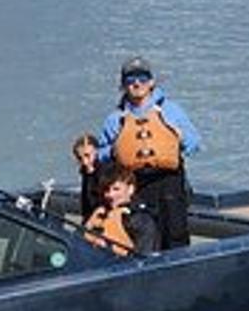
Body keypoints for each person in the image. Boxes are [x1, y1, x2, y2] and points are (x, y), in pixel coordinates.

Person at [94, 56, 203, 249]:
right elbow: (100, 154)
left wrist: (179, 136)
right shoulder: (115, 119)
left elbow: (195, 143)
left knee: (175, 235)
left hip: (169, 183)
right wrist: (115, 150)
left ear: (151, 82)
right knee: (142, 236)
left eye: (142, 78)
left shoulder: (171, 110)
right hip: (135, 185)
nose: (136, 83)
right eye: (130, 79)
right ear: (123, 85)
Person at [82, 164, 160, 256]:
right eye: (106, 190)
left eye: (116, 189)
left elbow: (144, 259)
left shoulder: (141, 220)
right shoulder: (99, 213)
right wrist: (90, 223)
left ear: (130, 189)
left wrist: (107, 248)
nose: (110, 195)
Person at [72, 133, 103, 212]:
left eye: (87, 155)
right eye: (80, 158)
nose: (85, 162)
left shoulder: (105, 171)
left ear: (96, 151)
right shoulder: (84, 173)